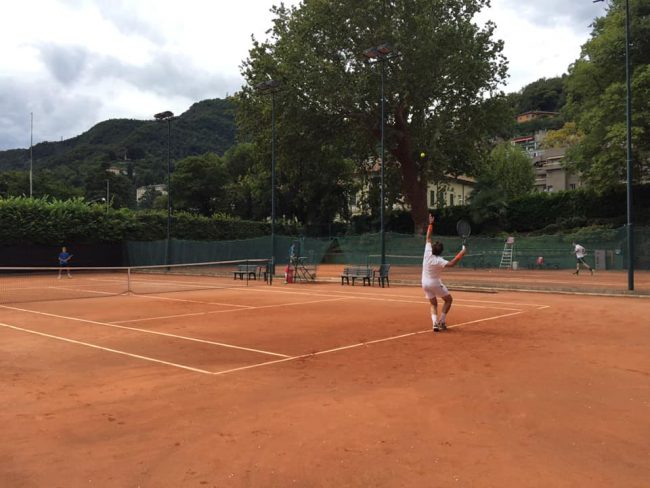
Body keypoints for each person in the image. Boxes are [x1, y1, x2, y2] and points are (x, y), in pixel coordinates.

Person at [422, 214, 466, 332]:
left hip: (424, 283)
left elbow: (428, 236)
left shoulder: (427, 253)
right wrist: (462, 252)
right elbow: (452, 263)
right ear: (441, 251)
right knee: (448, 300)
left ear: (432, 248)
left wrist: (431, 223)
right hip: (434, 283)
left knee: (433, 304)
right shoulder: (439, 260)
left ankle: (434, 323)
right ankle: (441, 321)